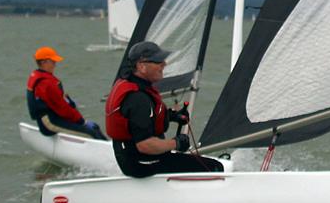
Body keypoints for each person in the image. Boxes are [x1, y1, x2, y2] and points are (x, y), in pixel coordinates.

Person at [105, 41, 224, 177]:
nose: (164, 64)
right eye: (158, 61)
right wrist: (176, 143)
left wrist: (172, 116)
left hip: (135, 158)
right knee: (215, 167)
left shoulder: (134, 85)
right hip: (141, 163)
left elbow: (140, 119)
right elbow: (145, 145)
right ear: (142, 66)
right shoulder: (138, 98)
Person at [26, 46, 107, 140]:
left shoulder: (38, 76)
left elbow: (61, 103)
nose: (55, 64)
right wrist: (81, 121)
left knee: (94, 127)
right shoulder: (46, 83)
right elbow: (62, 107)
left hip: (53, 118)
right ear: (44, 62)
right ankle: (108, 152)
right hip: (49, 123)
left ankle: (110, 148)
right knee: (91, 133)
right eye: (53, 61)